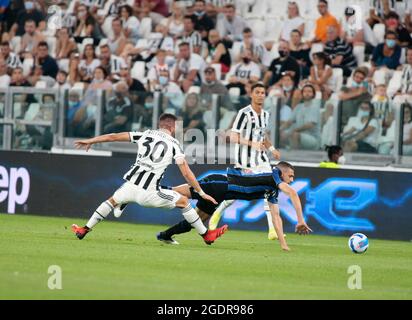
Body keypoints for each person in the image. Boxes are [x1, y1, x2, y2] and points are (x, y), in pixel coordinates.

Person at [71, 113, 228, 245]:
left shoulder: (144, 134)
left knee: (110, 201)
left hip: (130, 186)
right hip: (149, 193)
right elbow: (186, 172)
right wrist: (201, 192)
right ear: (173, 127)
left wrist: (90, 141)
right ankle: (206, 235)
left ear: (160, 125)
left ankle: (84, 229)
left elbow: (113, 136)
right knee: (184, 202)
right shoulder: (174, 144)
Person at [157, 162, 312, 251]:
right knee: (177, 193)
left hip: (222, 192)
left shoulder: (272, 190)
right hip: (220, 183)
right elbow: (292, 193)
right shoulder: (275, 175)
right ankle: (149, 189)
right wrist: (300, 220)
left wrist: (283, 245)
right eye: (290, 176)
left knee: (195, 221)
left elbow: (275, 216)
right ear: (282, 172)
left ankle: (165, 235)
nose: (291, 179)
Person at [208, 83, 281, 241]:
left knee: (270, 189)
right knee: (235, 194)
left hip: (262, 160)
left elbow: (264, 136)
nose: (261, 95)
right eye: (258, 92)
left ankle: (272, 230)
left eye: (263, 92)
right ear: (251, 94)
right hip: (245, 161)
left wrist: (272, 148)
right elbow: (233, 137)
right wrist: (252, 144)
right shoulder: (244, 113)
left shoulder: (266, 115)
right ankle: (217, 213)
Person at [280, 84, 321, 150]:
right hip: (298, 134)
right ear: (302, 94)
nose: (307, 93)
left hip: (313, 138)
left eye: (309, 91)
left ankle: (294, 158)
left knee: (294, 135)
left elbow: (310, 125)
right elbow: (289, 122)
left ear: (313, 94)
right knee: (279, 135)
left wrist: (293, 131)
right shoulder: (299, 106)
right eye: (305, 91)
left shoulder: (315, 107)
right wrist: (279, 130)